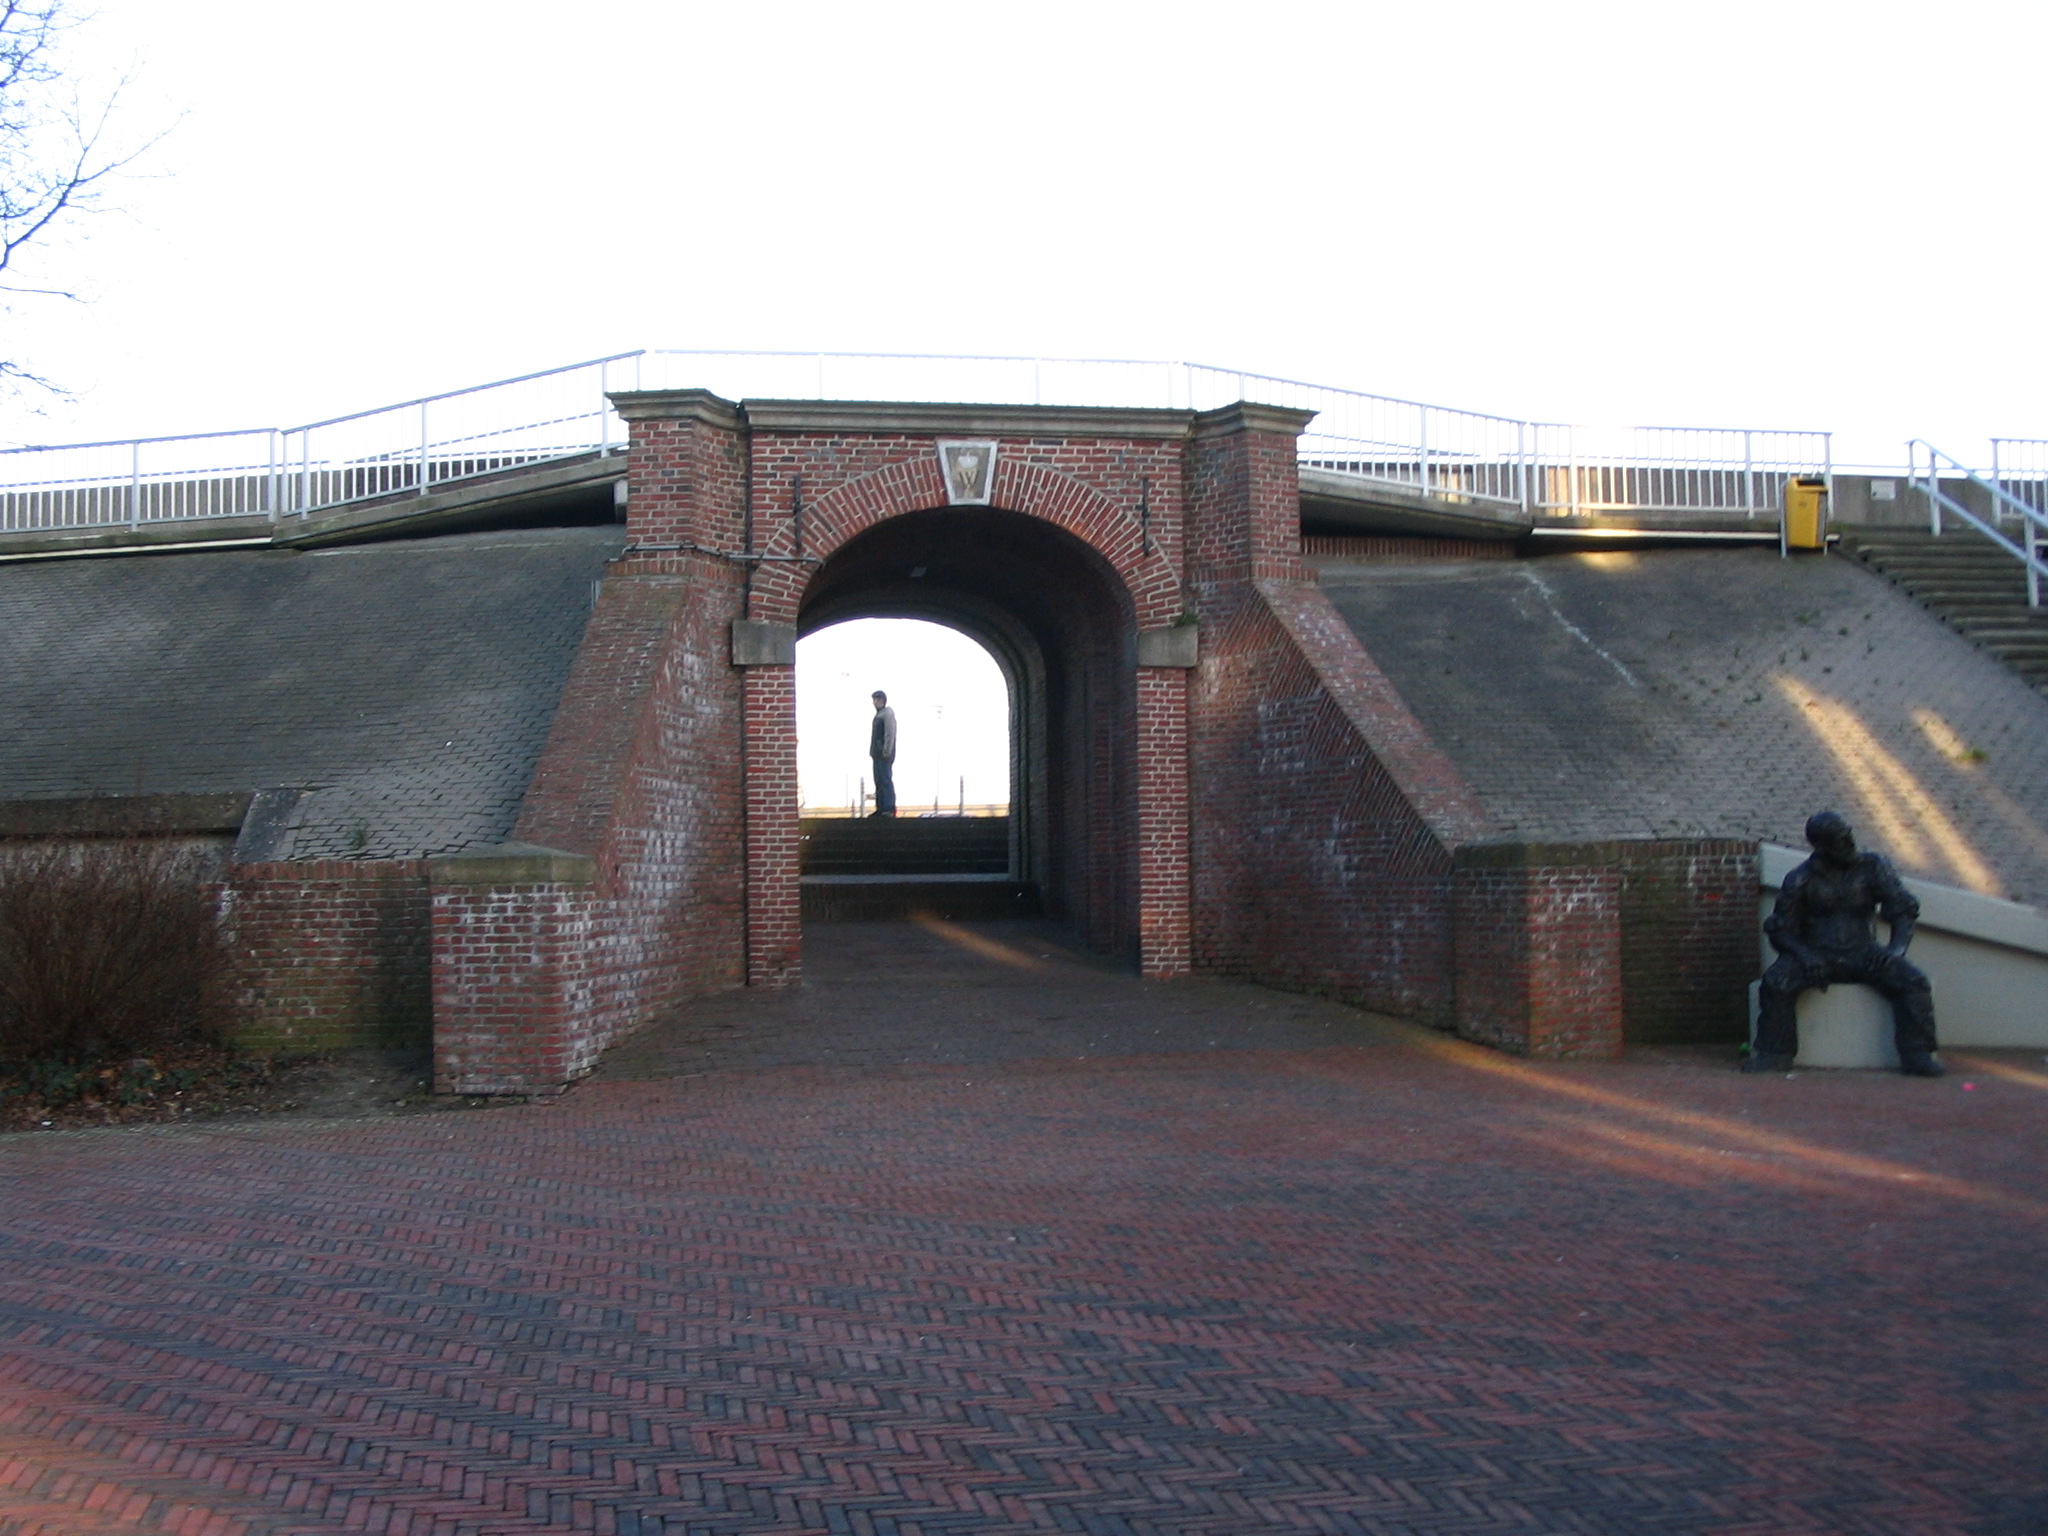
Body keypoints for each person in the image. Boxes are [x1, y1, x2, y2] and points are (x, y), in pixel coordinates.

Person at [1749, 810, 1942, 1076]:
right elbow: (1780, 929)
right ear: (1821, 846)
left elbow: (1903, 910)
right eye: (1840, 840)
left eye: (1848, 835)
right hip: (1817, 954)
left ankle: (1917, 1054)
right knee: (1776, 982)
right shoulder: (1800, 878)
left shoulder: (1873, 867)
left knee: (1914, 981)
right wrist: (1804, 955)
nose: (1849, 843)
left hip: (1864, 952)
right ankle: (1775, 1053)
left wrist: (1895, 950)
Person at [868, 690, 897, 817]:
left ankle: (888, 808)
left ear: (883, 700)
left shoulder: (887, 714)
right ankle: (881, 807)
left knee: (885, 780)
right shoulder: (879, 715)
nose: (875, 702)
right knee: (879, 780)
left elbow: (890, 733)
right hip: (877, 754)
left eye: (877, 699)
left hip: (883, 754)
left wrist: (886, 751)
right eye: (874, 700)